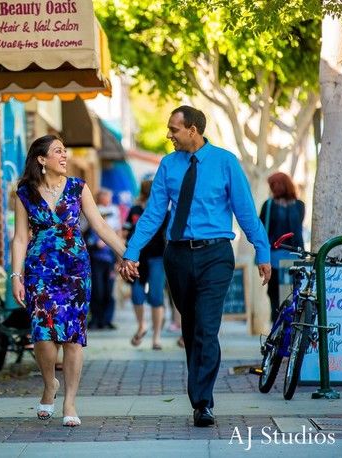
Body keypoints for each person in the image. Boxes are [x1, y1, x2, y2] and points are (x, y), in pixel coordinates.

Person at [119, 106, 271, 427]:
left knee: (205, 327)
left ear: (193, 130)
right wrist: (131, 251)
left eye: (174, 129)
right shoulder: (168, 165)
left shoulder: (225, 162)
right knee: (190, 329)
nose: (169, 135)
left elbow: (245, 212)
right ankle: (200, 394)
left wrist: (263, 251)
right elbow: (154, 213)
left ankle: (203, 402)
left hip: (215, 254)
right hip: (177, 255)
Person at [11, 135, 126, 427]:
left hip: (74, 269)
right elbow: (21, 237)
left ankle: (70, 400)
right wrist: (16, 276)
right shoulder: (25, 192)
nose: (64, 156)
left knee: (72, 336)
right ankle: (50, 384)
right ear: (41, 159)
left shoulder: (77, 188)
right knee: (43, 336)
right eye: (58, 151)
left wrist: (127, 255)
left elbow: (99, 225)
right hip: (39, 270)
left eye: (65, 151)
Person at [123, 179, 170, 349]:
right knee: (137, 295)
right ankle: (142, 325)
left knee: (156, 297)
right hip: (137, 258)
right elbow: (125, 231)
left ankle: (156, 338)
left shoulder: (163, 210)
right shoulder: (135, 210)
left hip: (157, 256)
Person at [260, 172, 305, 323]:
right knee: (274, 294)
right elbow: (262, 228)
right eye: (272, 185)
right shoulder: (268, 205)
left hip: (294, 256)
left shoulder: (299, 205)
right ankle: (276, 328)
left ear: (286, 185)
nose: (275, 188)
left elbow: (298, 229)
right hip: (273, 256)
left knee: (292, 294)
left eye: (278, 184)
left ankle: (289, 329)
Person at [87, 189, 120, 330]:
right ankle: (96, 319)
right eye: (106, 196)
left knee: (109, 290)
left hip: (109, 258)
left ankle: (106, 319)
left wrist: (120, 257)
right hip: (96, 259)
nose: (108, 199)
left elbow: (118, 231)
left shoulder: (114, 210)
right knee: (97, 290)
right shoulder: (93, 210)